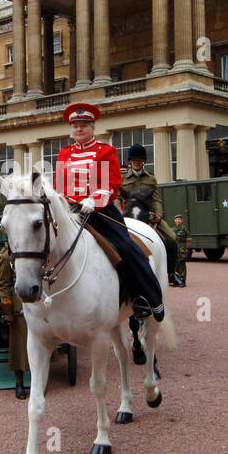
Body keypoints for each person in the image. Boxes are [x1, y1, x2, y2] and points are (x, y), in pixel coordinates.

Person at [54, 103, 163, 322]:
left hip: (99, 211)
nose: (79, 130)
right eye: (75, 126)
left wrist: (93, 201)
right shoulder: (64, 153)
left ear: (92, 128)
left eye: (84, 126)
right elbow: (59, 187)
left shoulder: (105, 151)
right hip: (71, 211)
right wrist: (63, 203)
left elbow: (111, 185)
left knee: (127, 248)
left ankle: (144, 297)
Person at [120, 143, 182, 286]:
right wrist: (119, 212)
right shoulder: (123, 178)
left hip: (148, 215)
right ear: (130, 161)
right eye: (135, 160)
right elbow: (117, 198)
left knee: (172, 239)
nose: (137, 162)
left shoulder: (151, 178)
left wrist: (159, 213)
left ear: (144, 161)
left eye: (140, 160)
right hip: (128, 215)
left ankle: (172, 273)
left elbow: (156, 199)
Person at [0, 241, 29, 400]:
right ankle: (19, 382)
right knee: (18, 344)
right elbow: (3, 284)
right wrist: (7, 308)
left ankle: (39, 380)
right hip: (18, 300)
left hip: (35, 297)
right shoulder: (5, 256)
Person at [172, 215, 190, 287]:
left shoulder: (184, 229)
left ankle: (183, 280)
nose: (178, 221)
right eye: (176, 219)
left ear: (181, 221)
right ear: (174, 221)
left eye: (179, 219)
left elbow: (188, 240)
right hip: (174, 249)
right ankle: (176, 280)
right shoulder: (172, 229)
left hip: (182, 248)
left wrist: (185, 248)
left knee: (182, 265)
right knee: (175, 265)